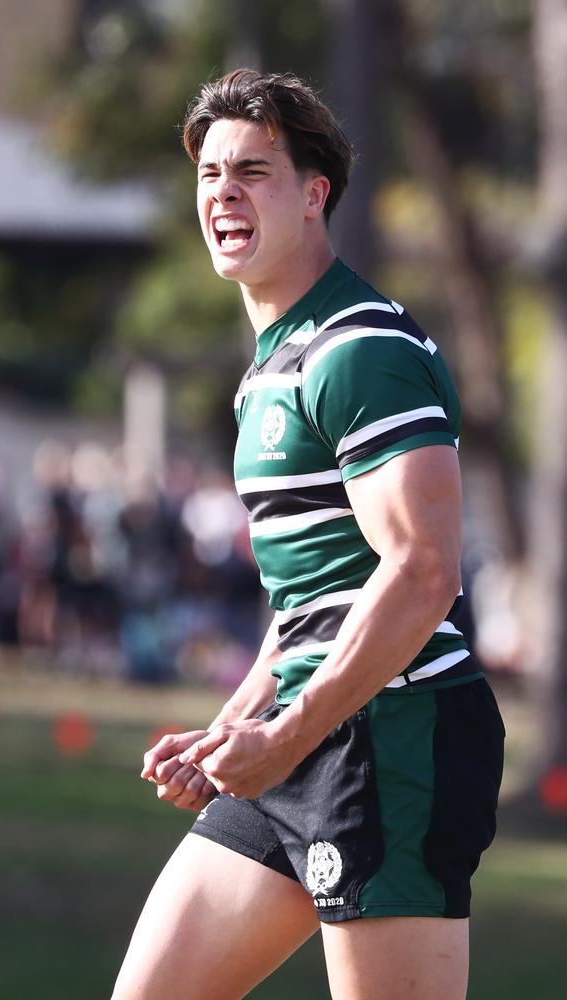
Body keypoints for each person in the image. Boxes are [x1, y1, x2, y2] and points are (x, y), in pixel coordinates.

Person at [111, 69, 505, 1000]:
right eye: (209, 175)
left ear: (313, 194)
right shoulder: (269, 370)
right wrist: (234, 729)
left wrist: (284, 735)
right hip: (311, 731)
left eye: (252, 171)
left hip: (396, 736)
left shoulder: (358, 349)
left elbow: (421, 570)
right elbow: (313, 602)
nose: (223, 195)